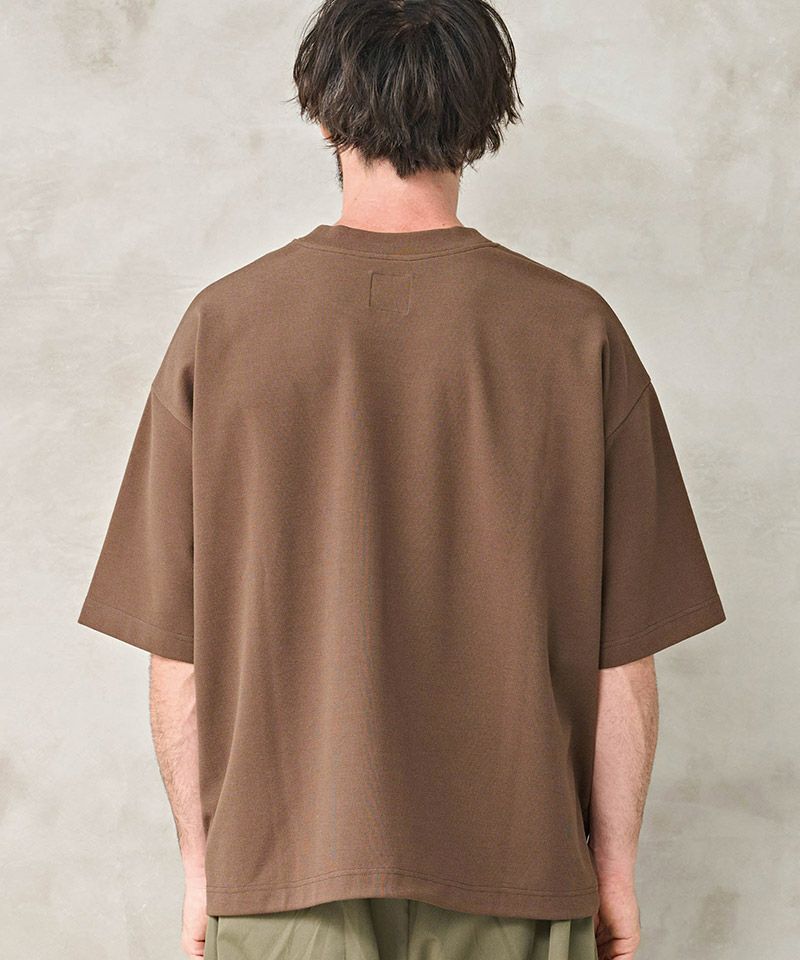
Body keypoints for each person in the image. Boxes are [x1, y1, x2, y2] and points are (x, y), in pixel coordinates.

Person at [76, 1, 727, 958]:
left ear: (323, 112)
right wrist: (617, 874)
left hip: (285, 879)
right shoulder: (577, 334)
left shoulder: (223, 331)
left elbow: (181, 657)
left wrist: (205, 872)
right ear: (483, 118)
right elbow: (621, 657)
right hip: (517, 878)